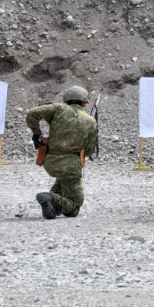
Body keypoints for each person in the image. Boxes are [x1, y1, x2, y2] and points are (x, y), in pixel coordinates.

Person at [25, 86, 98, 220]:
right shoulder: (90, 120)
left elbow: (32, 113)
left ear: (66, 100)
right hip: (71, 165)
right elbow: (89, 151)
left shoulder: (58, 109)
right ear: (84, 102)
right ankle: (50, 198)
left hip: (50, 161)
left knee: (62, 183)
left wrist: (37, 134)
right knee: (74, 207)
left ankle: (52, 205)